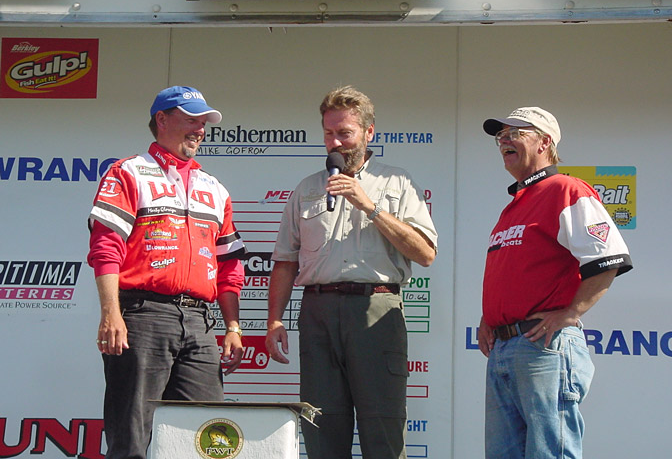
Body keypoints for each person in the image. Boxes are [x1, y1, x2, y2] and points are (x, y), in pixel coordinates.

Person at [265, 86, 438, 459]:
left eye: (345, 132)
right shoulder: (307, 188)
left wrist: (369, 206)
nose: (335, 142)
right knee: (321, 430)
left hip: (374, 311)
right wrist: (274, 319)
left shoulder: (398, 182)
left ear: (369, 132)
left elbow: (425, 253)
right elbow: (285, 261)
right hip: (317, 314)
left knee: (383, 432)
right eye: (328, 133)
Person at [87, 86, 247, 459]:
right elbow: (106, 248)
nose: (200, 130)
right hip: (143, 315)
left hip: (199, 322)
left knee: (209, 438)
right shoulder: (129, 172)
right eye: (191, 119)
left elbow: (229, 266)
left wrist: (233, 327)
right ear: (162, 119)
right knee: (131, 436)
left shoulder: (215, 188)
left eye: (203, 122)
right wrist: (111, 313)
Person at [477, 107, 633, 459]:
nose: (504, 141)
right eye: (500, 136)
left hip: (542, 346)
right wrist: (492, 318)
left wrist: (571, 312)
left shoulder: (565, 189)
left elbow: (609, 258)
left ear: (545, 142)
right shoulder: (514, 205)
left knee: (551, 453)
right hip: (504, 346)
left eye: (515, 133)